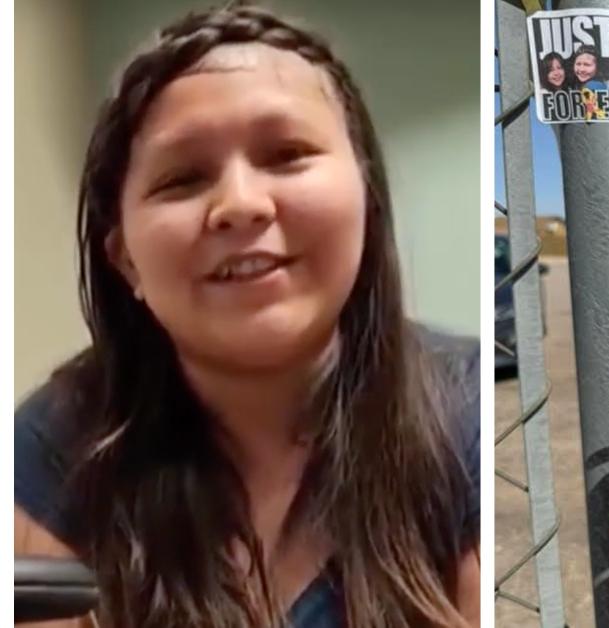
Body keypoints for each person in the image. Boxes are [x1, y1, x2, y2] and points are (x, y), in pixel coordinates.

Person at [13, 6, 480, 627]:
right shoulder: (56, 445)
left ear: (367, 203)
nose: (240, 204)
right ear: (125, 260)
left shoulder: (465, 414)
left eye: (287, 154)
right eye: (182, 179)